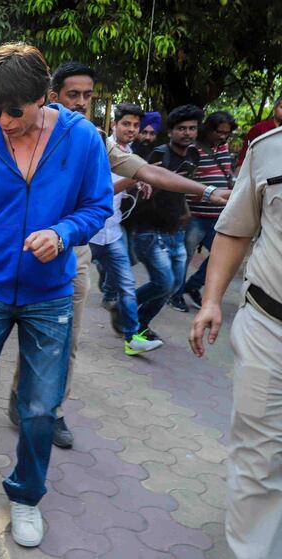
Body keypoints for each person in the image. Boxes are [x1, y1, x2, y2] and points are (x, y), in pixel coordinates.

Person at [0, 43, 112, 548]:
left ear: (44, 97)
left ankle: (26, 496)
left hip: (50, 294)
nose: (4, 122)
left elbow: (98, 206)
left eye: (15, 111)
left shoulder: (82, 141)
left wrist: (64, 232)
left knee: (39, 408)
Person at [7, 61, 229, 448]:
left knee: (66, 338)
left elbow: (148, 172)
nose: (81, 102)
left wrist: (208, 192)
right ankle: (19, 395)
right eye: (72, 94)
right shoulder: (25, 129)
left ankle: (54, 410)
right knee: (29, 333)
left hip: (72, 256)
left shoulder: (93, 139)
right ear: (54, 96)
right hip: (24, 252)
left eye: (88, 96)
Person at [189, 125, 282, 559]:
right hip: (271, 328)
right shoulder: (270, 150)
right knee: (260, 456)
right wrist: (211, 300)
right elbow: (235, 230)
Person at [129, 105, 209, 339]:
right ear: (171, 131)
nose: (187, 133)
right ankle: (128, 310)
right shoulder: (159, 155)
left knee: (173, 286)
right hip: (152, 229)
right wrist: (163, 183)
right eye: (181, 128)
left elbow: (181, 191)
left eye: (192, 128)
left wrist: (184, 210)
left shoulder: (193, 156)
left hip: (177, 230)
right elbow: (142, 191)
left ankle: (139, 322)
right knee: (164, 283)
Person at [89, 102, 163, 356]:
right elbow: (103, 190)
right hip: (87, 232)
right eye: (126, 124)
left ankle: (132, 337)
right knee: (67, 284)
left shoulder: (131, 153)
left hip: (112, 232)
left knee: (128, 285)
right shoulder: (101, 148)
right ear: (115, 124)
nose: (131, 130)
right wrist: (137, 178)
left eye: (135, 125)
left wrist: (139, 183)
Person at [169, 110, 237, 312]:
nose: (223, 136)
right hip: (195, 215)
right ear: (209, 129)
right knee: (185, 256)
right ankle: (175, 294)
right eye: (219, 131)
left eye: (227, 133)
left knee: (222, 256)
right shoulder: (193, 149)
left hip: (218, 216)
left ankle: (193, 285)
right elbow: (183, 182)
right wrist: (185, 209)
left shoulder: (224, 148)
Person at [236, 94, 281, 169]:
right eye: (281, 107)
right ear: (274, 109)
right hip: (260, 172)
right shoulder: (259, 128)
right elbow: (245, 154)